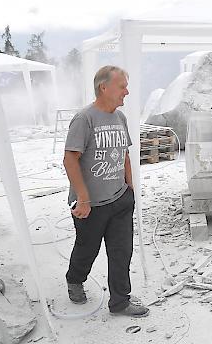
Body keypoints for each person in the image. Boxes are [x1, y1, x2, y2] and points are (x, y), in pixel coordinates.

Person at [63, 65, 149, 317]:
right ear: (104, 87)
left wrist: (130, 189)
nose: (127, 92)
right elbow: (70, 159)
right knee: (86, 249)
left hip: (120, 198)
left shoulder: (119, 118)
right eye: (122, 86)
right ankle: (75, 279)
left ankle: (120, 301)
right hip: (91, 204)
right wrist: (83, 198)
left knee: (122, 252)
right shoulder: (84, 119)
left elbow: (124, 155)